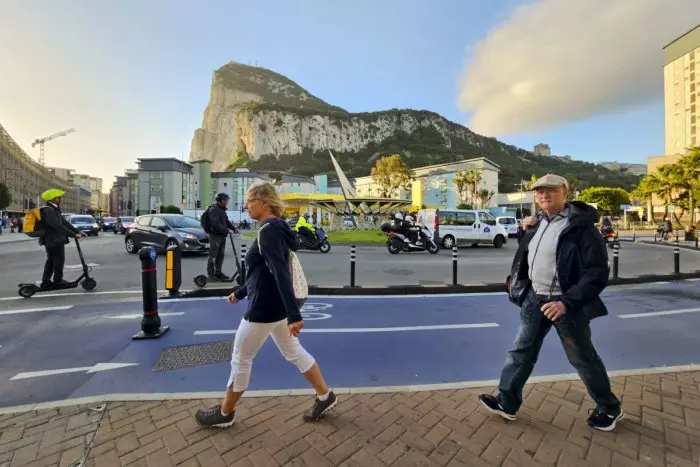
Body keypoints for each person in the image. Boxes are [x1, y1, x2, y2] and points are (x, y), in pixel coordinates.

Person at [479, 174, 623, 431]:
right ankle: (507, 401)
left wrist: (568, 303)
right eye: (539, 192)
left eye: (551, 191)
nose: (544, 195)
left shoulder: (581, 228)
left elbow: (597, 272)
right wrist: (520, 283)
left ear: (565, 193)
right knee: (520, 352)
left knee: (582, 358)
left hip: (565, 304)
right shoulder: (538, 223)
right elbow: (530, 257)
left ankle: (610, 408)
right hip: (535, 299)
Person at [195, 181, 337, 428]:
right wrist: (240, 292)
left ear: (264, 202)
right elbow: (262, 272)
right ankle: (325, 396)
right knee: (293, 351)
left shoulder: (268, 230)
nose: (246, 206)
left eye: (250, 201)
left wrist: (294, 314)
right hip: (276, 306)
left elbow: (280, 272)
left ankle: (226, 413)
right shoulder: (275, 228)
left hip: (265, 309)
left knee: (241, 357)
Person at [39, 189, 86, 288]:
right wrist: (73, 235)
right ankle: (57, 280)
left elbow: (64, 223)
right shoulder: (48, 210)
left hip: (55, 239)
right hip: (53, 240)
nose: (60, 199)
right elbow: (57, 226)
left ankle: (46, 282)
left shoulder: (54, 209)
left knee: (52, 261)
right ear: (53, 199)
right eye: (58, 197)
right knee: (57, 261)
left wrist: (77, 231)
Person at [203, 193, 238, 280]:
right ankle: (211, 274)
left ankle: (218, 273)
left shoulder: (222, 210)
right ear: (220, 201)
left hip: (222, 236)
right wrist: (227, 230)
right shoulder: (214, 210)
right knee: (213, 255)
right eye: (225, 200)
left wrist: (234, 229)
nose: (227, 202)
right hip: (215, 236)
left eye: (227, 200)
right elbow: (215, 224)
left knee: (220, 256)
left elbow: (226, 222)